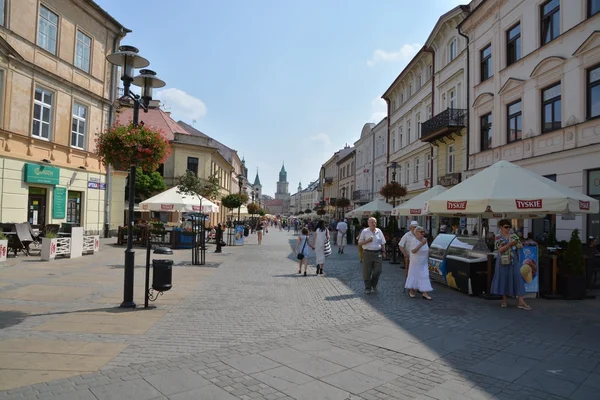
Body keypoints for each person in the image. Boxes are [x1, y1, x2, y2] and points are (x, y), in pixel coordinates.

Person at [491, 219, 531, 310]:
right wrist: (509, 244)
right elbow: (500, 250)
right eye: (506, 227)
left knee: (517, 277)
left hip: (513, 260)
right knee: (504, 278)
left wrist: (517, 243)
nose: (508, 229)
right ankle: (504, 299)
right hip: (503, 261)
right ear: (500, 227)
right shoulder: (498, 237)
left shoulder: (513, 235)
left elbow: (520, 246)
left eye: (509, 227)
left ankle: (521, 301)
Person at [358, 217, 387, 294]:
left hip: (378, 253)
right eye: (371, 222)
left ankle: (373, 285)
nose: (373, 223)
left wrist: (384, 251)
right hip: (367, 253)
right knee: (367, 271)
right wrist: (367, 241)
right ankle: (367, 287)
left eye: (374, 222)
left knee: (378, 271)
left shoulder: (379, 231)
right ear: (368, 223)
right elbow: (360, 243)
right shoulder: (365, 231)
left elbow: (383, 242)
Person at [404, 226, 434, 300]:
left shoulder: (424, 240)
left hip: (423, 262)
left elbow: (427, 250)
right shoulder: (414, 240)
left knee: (425, 276)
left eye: (424, 232)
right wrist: (421, 244)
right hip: (415, 262)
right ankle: (412, 291)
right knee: (414, 275)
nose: (423, 233)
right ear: (416, 233)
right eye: (421, 232)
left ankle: (425, 293)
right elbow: (413, 251)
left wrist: (429, 259)